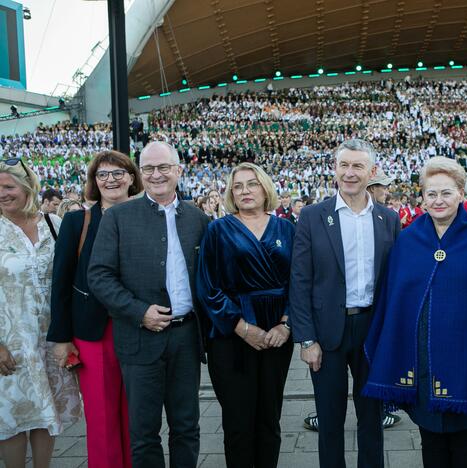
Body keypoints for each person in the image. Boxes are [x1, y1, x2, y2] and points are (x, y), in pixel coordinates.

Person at [364, 157, 467, 468]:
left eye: (446, 193)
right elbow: (395, 298)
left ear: (461, 193)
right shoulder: (409, 240)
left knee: (465, 440)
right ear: (421, 197)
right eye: (431, 193)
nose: (438, 200)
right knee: (430, 437)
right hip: (422, 359)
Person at [88, 141, 210, 468]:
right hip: (139, 338)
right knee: (144, 432)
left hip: (186, 338)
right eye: (149, 169)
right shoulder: (118, 217)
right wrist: (139, 311)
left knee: (186, 426)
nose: (156, 175)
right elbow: (99, 275)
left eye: (163, 167)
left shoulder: (197, 219)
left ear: (179, 171)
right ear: (140, 174)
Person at [289, 139, 400, 468]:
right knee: (330, 419)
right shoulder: (312, 216)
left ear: (372, 172)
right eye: (344, 166)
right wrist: (306, 339)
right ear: (334, 169)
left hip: (372, 331)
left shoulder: (387, 219)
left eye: (358, 166)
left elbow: (394, 282)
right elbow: (299, 281)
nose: (350, 173)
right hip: (326, 334)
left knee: (372, 419)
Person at [48, 150, 143, 468]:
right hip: (93, 331)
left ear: (131, 178)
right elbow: (60, 282)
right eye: (103, 174)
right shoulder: (78, 221)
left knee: (137, 415)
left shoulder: (147, 216)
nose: (111, 180)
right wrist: (61, 337)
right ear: (94, 181)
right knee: (102, 417)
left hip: (139, 327)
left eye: (119, 173)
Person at [196, 163, 295, 468]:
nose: (244, 191)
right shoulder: (217, 230)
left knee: (269, 417)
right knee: (238, 421)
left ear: (265, 188)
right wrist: (240, 327)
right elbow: (207, 287)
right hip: (230, 335)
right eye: (237, 186)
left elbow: (300, 281)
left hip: (277, 333)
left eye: (251, 184)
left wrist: (286, 324)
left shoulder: (287, 229)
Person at [0, 158, 81, 468]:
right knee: (13, 415)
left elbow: (70, 280)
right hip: (11, 341)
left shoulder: (53, 225)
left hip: (51, 339)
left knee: (47, 414)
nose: (3, 193)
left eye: (9, 186)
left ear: (27, 187)